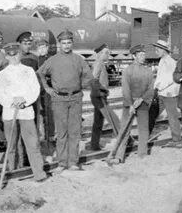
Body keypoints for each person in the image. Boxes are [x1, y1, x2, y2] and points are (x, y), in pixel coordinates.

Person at [37, 30, 94, 171]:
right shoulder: (53, 60)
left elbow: (88, 76)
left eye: (69, 43)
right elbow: (40, 73)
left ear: (72, 43)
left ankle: (73, 162)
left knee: (74, 132)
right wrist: (48, 89)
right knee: (61, 132)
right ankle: (62, 162)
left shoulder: (79, 59)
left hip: (75, 98)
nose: (66, 45)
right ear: (59, 44)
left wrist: (81, 86)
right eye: (63, 43)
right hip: (59, 99)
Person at [0, 43, 49, 182]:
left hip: (26, 112)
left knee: (32, 143)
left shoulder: (29, 71)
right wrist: (13, 101)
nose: (13, 57)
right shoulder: (2, 73)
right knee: (12, 144)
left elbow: (35, 89)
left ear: (20, 54)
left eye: (16, 54)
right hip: (9, 112)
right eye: (10, 55)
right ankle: (14, 171)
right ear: (6, 56)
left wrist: (24, 100)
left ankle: (38, 172)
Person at [120, 44, 155, 157]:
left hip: (142, 103)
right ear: (134, 56)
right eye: (140, 55)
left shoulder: (148, 71)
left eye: (144, 54)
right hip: (129, 104)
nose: (143, 57)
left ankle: (142, 153)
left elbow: (151, 89)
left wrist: (141, 99)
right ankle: (119, 155)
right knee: (125, 129)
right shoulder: (127, 71)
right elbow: (126, 89)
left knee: (143, 129)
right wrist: (130, 104)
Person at [88, 43, 120, 151]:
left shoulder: (100, 63)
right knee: (113, 119)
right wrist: (101, 91)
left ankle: (94, 145)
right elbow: (93, 80)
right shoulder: (98, 64)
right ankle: (126, 140)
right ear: (99, 54)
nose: (108, 55)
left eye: (108, 53)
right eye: (106, 53)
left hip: (98, 95)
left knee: (98, 122)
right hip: (99, 96)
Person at [150, 39, 182, 145]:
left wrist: (160, 87)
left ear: (164, 50)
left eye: (158, 49)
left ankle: (177, 139)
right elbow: (159, 77)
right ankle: (145, 135)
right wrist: (156, 87)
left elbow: (172, 79)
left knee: (172, 117)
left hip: (169, 94)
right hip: (161, 93)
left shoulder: (171, 62)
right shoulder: (162, 61)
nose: (156, 51)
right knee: (152, 113)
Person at [37, 39, 55, 143]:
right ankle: (42, 135)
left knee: (49, 113)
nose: (42, 49)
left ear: (47, 48)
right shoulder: (36, 60)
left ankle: (50, 135)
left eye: (43, 47)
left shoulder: (51, 59)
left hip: (48, 89)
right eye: (40, 47)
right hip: (38, 90)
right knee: (40, 113)